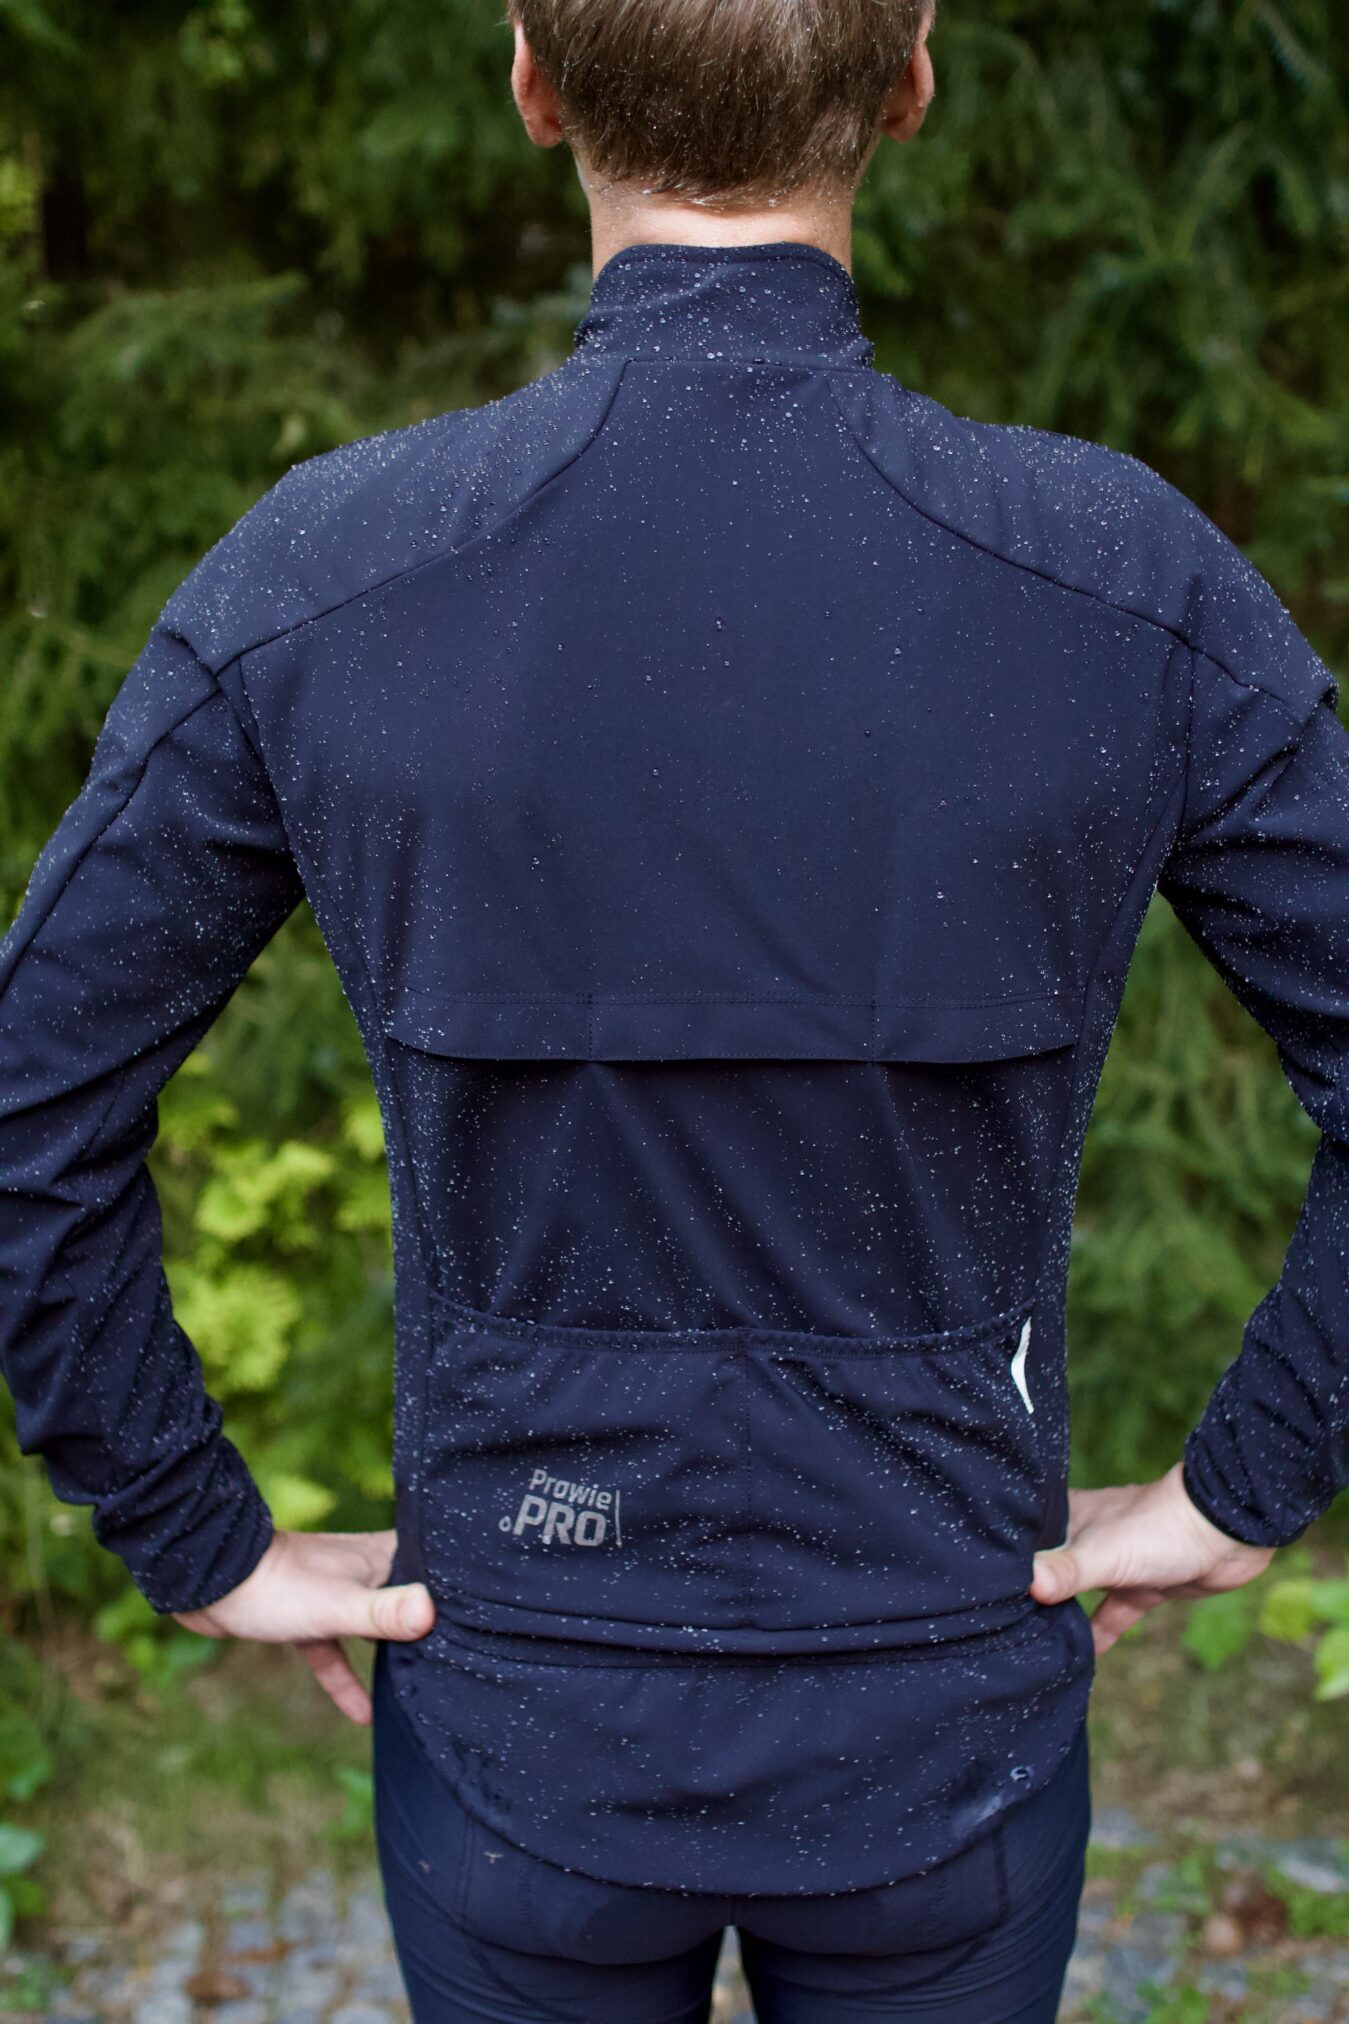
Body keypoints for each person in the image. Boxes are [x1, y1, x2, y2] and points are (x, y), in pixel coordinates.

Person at [1, 0, 1345, 2016]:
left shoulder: (332, 571)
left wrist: (187, 1528)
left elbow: (32, 1101)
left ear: (532, 81)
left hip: (523, 1728)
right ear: (909, 76)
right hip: (944, 1722)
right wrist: (1244, 1482)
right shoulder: (1115, 577)